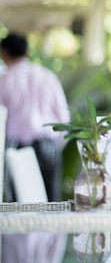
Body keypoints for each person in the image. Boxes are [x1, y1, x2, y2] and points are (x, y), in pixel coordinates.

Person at [0, 32, 69, 201]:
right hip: (48, 145)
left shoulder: (4, 80)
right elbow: (64, 117)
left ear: (5, 53)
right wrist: (55, 145)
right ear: (26, 52)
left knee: (20, 207)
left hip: (16, 149)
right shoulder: (47, 76)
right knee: (52, 205)